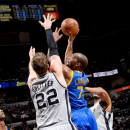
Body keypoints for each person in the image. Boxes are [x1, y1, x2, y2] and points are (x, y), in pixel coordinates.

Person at [28, 13, 77, 130]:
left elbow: (32, 73)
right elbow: (54, 51)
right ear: (48, 65)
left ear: (33, 69)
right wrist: (48, 29)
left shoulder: (31, 82)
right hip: (63, 125)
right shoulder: (56, 75)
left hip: (43, 127)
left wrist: (31, 58)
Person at [46, 27, 98, 130]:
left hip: (76, 115)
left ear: (78, 64)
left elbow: (51, 59)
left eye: (73, 57)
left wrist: (54, 40)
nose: (70, 58)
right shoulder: (82, 75)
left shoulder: (69, 73)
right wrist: (70, 42)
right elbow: (67, 59)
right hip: (88, 113)